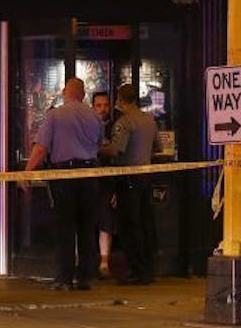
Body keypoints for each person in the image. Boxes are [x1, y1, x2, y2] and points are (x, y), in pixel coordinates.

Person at [23, 77, 103, 291]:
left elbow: (41, 149)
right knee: (87, 227)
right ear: (83, 94)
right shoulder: (95, 117)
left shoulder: (54, 115)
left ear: (64, 92)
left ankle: (64, 278)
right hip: (89, 174)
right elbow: (99, 146)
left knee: (65, 227)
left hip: (64, 175)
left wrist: (27, 173)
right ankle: (86, 276)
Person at [100, 83, 161, 285]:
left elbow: (117, 150)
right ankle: (148, 268)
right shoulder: (150, 120)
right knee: (144, 223)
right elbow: (158, 147)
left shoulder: (124, 123)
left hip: (128, 179)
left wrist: (100, 147)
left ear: (120, 100)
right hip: (147, 176)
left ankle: (137, 270)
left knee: (128, 225)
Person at [90, 90, 116, 278]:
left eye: (105, 105)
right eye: (98, 105)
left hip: (107, 182)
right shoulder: (86, 125)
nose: (102, 109)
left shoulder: (115, 127)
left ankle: (104, 262)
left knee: (106, 222)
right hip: (88, 180)